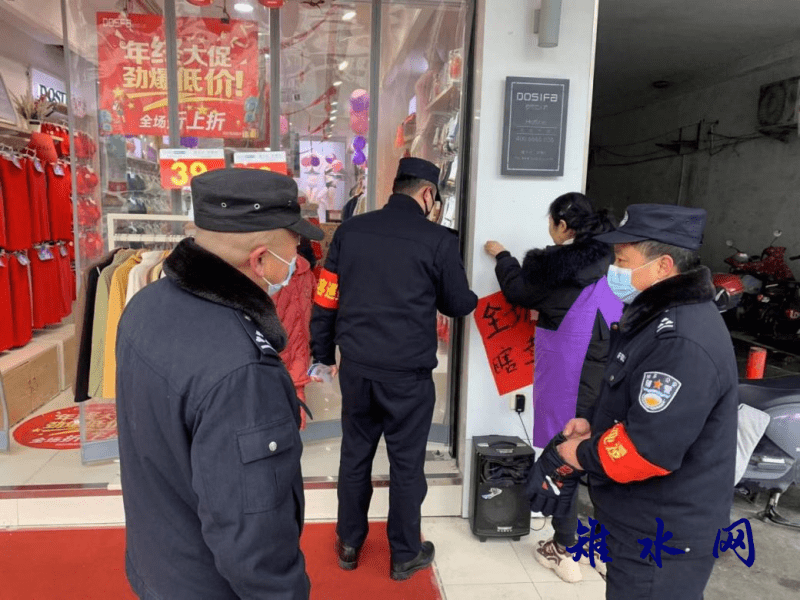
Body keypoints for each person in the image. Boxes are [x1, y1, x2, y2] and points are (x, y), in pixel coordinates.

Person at [115, 169, 324, 599]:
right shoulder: (243, 368)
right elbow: (253, 538)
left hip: (159, 562)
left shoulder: (145, 305)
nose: (297, 262)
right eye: (294, 250)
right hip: (209, 584)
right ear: (260, 260)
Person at [530, 204, 738, 600]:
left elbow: (648, 450)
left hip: (663, 535)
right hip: (638, 520)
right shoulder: (654, 317)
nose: (614, 270)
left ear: (662, 267)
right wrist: (592, 423)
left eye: (622, 261)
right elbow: (634, 398)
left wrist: (578, 454)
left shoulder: (681, 340)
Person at [310, 157, 478, 581]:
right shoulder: (437, 240)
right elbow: (458, 304)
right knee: (406, 465)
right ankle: (404, 554)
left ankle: (349, 543)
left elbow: (326, 298)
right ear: (428, 194)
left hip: (358, 369)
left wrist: (323, 354)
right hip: (408, 377)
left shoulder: (351, 231)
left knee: (355, 455)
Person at [484, 192, 623, 583]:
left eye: (550, 222)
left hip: (568, 381)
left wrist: (503, 256)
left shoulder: (556, 269)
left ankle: (565, 550)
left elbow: (518, 291)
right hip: (611, 380)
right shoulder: (618, 263)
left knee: (565, 461)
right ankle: (602, 550)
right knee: (604, 462)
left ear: (563, 226)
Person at [273, 251, 316, 429]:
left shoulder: (306, 273)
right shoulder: (269, 271)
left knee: (293, 395)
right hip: (283, 347)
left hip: (293, 347)